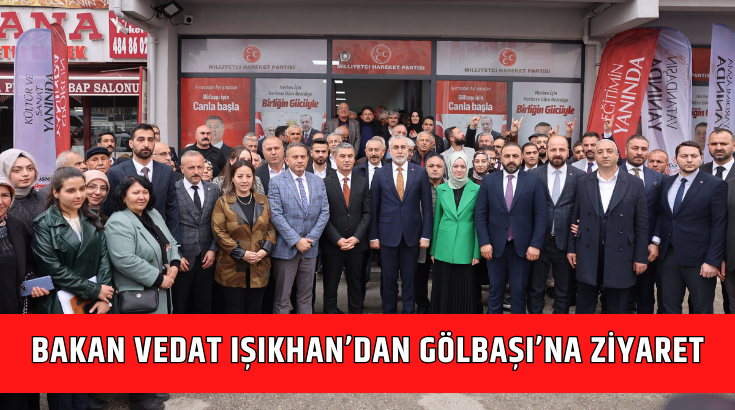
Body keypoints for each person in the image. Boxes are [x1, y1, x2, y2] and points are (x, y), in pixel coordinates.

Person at [567, 139, 649, 314]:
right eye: (600, 152)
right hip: (588, 252)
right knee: (584, 307)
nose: (605, 155)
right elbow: (576, 216)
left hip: (621, 253)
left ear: (618, 156)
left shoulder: (634, 183)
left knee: (616, 308)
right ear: (595, 157)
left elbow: (641, 224)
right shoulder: (583, 181)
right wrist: (572, 249)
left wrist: (641, 257)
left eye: (609, 151)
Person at [655, 141, 727, 314]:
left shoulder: (715, 184)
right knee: (667, 308)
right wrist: (655, 241)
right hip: (668, 256)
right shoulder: (666, 183)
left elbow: (719, 225)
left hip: (700, 259)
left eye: (694, 156)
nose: (689, 160)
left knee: (702, 309)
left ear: (701, 158)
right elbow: (662, 215)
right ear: (675, 159)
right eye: (684, 156)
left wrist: (713, 261)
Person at [475, 142, 548, 314]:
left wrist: (535, 245)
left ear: (521, 158)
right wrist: (484, 243)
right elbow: (480, 214)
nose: (511, 159)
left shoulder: (533, 181)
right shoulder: (489, 180)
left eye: (515, 156)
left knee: (519, 292)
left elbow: (541, 216)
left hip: (522, 248)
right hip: (494, 247)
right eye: (507, 156)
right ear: (500, 158)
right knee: (495, 292)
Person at [32, 167, 112, 315]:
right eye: (71, 191)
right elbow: (53, 269)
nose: (79, 195)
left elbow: (104, 258)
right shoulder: (43, 224)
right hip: (62, 299)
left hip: (97, 298)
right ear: (56, 192)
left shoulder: (93, 217)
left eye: (82, 189)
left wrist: (105, 297)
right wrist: (94, 290)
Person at [369, 135, 433, 314]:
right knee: (388, 280)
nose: (399, 151)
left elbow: (427, 208)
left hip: (412, 236)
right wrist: (373, 236)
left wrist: (426, 235)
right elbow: (373, 208)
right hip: (386, 236)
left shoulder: (420, 172)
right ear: (389, 151)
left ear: (409, 151)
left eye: (403, 147)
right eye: (395, 147)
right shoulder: (380, 173)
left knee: (410, 280)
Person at [268, 142, 329, 314]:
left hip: (310, 248)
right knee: (282, 298)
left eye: (303, 156)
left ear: (308, 159)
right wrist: (296, 241)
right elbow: (276, 215)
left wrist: (310, 240)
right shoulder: (276, 182)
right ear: (287, 160)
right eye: (295, 157)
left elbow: (324, 212)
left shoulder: (318, 181)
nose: (299, 160)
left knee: (306, 296)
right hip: (285, 249)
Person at [527, 136, 585, 314]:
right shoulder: (533, 175)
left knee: (564, 291)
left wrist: (582, 225)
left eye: (561, 150)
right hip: (538, 242)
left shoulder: (580, 176)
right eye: (553, 149)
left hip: (566, 243)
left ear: (568, 152)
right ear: (546, 151)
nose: (557, 153)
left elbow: (584, 208)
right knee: (535, 289)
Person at [210, 159, 276, 313]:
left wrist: (265, 250)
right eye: (240, 176)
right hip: (232, 266)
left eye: (248, 176)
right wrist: (241, 253)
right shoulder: (223, 202)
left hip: (259, 263)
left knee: (255, 309)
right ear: (232, 178)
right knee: (234, 309)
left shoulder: (263, 201)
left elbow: (271, 228)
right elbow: (218, 232)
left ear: (253, 178)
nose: (244, 180)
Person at [105, 123, 181, 244]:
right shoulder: (116, 172)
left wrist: (175, 244)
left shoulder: (167, 171)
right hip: (129, 238)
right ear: (131, 143)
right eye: (141, 139)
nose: (146, 144)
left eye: (150, 140)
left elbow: (172, 208)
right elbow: (109, 209)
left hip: (162, 238)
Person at [320, 143, 371, 314]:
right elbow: (323, 215)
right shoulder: (325, 183)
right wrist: (337, 239)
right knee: (330, 287)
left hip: (356, 245)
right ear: (334, 158)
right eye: (342, 156)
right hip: (332, 245)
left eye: (350, 156)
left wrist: (356, 237)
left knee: (356, 286)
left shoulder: (363, 182)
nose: (347, 159)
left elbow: (367, 213)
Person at [429, 152, 480, 313]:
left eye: (462, 166)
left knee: (464, 287)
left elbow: (479, 223)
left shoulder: (477, 189)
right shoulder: (441, 189)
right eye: (455, 166)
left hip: (466, 245)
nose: (459, 170)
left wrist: (477, 252)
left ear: (467, 167)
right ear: (450, 168)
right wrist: (433, 250)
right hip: (443, 246)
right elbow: (437, 220)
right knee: (444, 285)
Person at [171, 151, 219, 314]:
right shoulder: (173, 190)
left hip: (207, 258)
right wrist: (175, 255)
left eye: (200, 167)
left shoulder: (214, 189)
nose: (196, 171)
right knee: (180, 306)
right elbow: (167, 225)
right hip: (182, 259)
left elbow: (218, 223)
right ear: (181, 169)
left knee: (205, 305)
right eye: (191, 168)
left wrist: (213, 249)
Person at [621, 135, 663, 314]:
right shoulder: (613, 173)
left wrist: (655, 242)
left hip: (647, 247)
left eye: (644, 149)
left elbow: (662, 213)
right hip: (618, 245)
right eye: (635, 148)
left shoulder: (658, 178)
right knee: (619, 296)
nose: (639, 152)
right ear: (625, 150)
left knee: (646, 295)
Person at [0, 175, 44, 315]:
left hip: (14, 307)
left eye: (5, 195)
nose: (0, 202)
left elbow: (26, 262)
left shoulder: (16, 225)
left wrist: (32, 280)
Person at [0, 149, 45, 237]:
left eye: (30, 168)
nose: (25, 174)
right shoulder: (3, 204)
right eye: (17, 170)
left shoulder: (44, 198)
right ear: (4, 172)